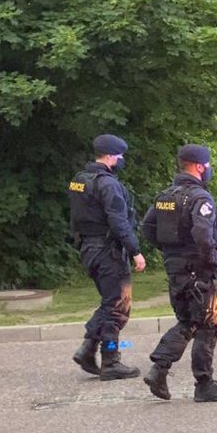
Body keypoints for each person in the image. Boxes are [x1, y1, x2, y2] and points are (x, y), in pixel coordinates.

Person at [141, 144, 217, 403]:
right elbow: (203, 235)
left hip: (176, 269)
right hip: (198, 271)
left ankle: (170, 373)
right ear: (199, 166)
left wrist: (172, 252)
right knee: (204, 322)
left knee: (194, 321)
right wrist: (210, 259)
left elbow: (148, 228)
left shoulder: (165, 196)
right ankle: (196, 382)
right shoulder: (200, 198)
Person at [68, 134, 145, 380]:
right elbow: (118, 221)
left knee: (109, 303)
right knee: (117, 307)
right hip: (108, 251)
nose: (122, 160)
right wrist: (135, 251)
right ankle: (110, 359)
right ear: (111, 156)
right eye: (120, 156)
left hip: (88, 249)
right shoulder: (108, 184)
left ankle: (88, 350)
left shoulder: (79, 180)